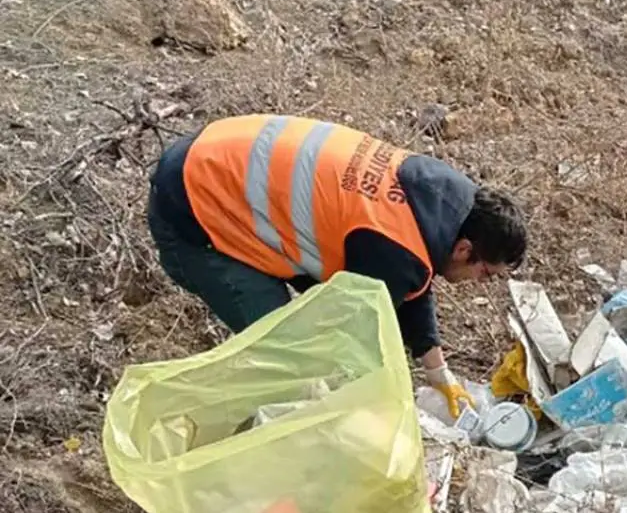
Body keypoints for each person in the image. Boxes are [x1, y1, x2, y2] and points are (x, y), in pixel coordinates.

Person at [147, 114, 528, 419]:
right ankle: (220, 433)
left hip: (217, 150)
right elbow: (352, 341)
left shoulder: (439, 196)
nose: (481, 284)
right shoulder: (397, 250)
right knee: (292, 355)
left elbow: (413, 281)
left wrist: (436, 371)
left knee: (306, 348)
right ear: (464, 249)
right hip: (193, 205)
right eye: (486, 273)